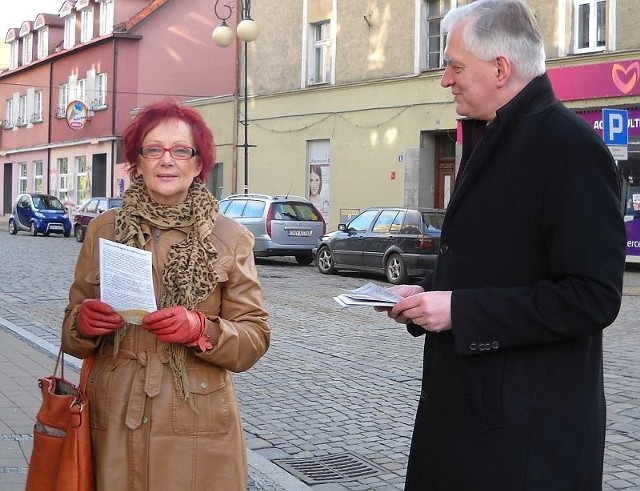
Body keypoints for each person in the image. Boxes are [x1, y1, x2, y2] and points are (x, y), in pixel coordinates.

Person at [377, 1, 627, 489]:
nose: (445, 80)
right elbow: (494, 262)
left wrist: (460, 311)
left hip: (525, 441)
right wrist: (425, 294)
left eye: (454, 66)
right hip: (467, 423)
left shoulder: (571, 149)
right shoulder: (488, 136)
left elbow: (592, 297)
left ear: (500, 68)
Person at [61, 99, 270, 490]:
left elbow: (255, 337)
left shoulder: (230, 238)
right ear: (137, 162)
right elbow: (71, 328)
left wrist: (200, 328)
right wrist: (83, 323)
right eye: (153, 149)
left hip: (195, 417)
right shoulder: (104, 229)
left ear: (198, 163)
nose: (167, 160)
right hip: (113, 414)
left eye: (181, 150)